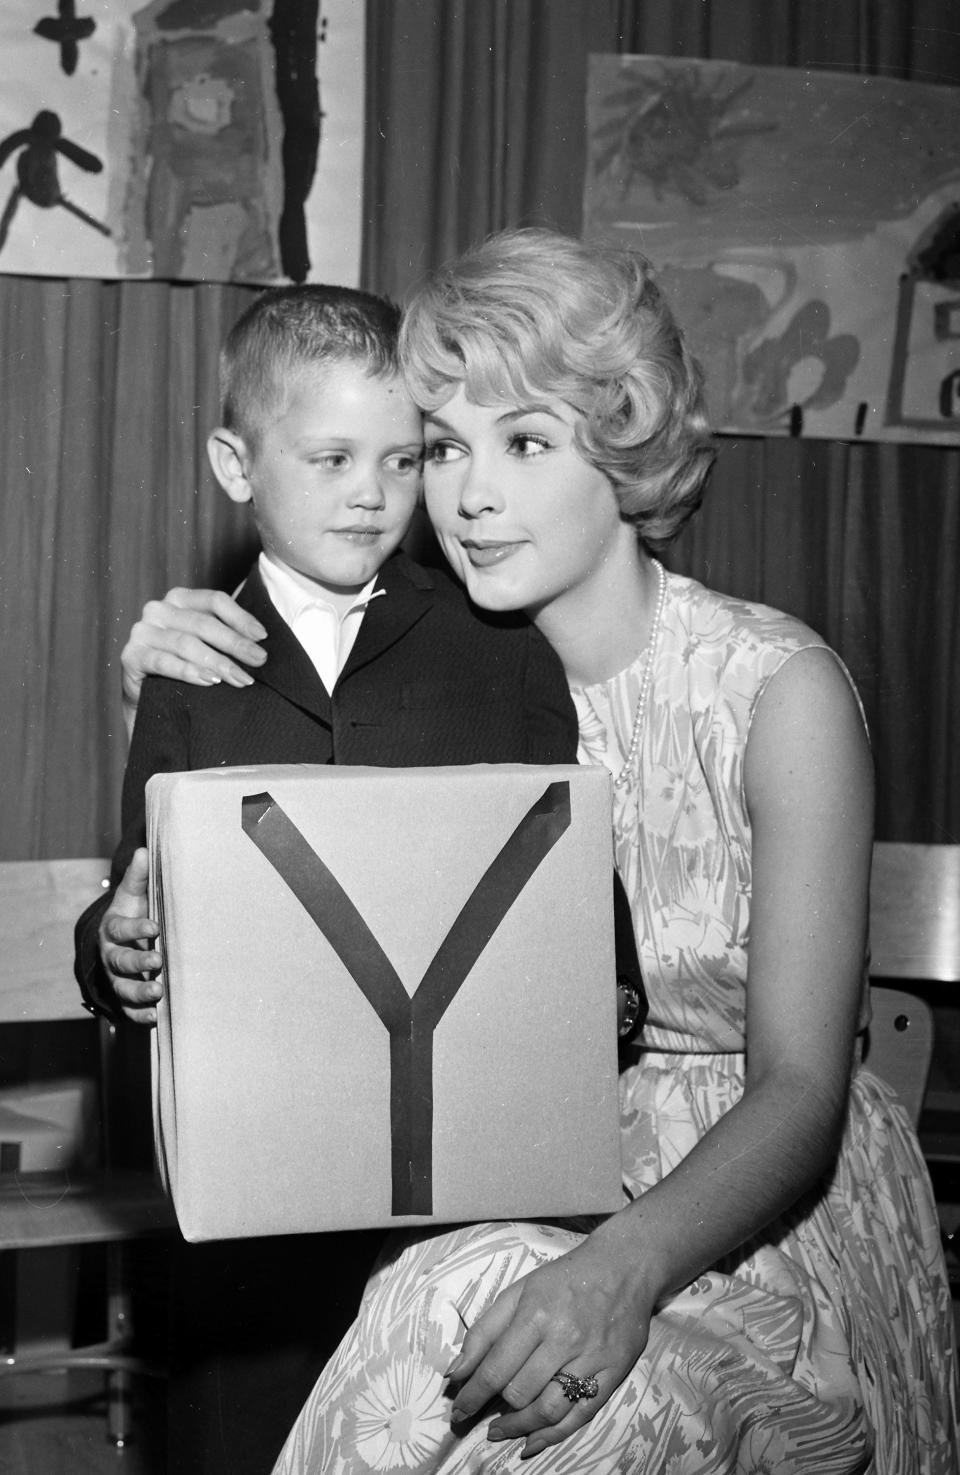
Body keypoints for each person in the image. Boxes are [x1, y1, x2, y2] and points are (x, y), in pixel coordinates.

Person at [115, 230, 959, 1474]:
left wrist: (615, 1269)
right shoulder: (413, 666)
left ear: (622, 444)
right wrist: (167, 653)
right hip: (488, 1167)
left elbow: (802, 1087)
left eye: (526, 441)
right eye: (444, 446)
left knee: (544, 1389)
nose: (467, 495)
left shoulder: (776, 687)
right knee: (434, 1319)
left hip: (751, 1217)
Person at [73, 281, 585, 1475]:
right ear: (234, 464)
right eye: (333, 456)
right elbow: (130, 883)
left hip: (458, 1174)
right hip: (252, 1176)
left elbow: (570, 897)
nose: (372, 491)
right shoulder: (194, 661)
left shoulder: (499, 644)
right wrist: (118, 944)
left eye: (404, 459)